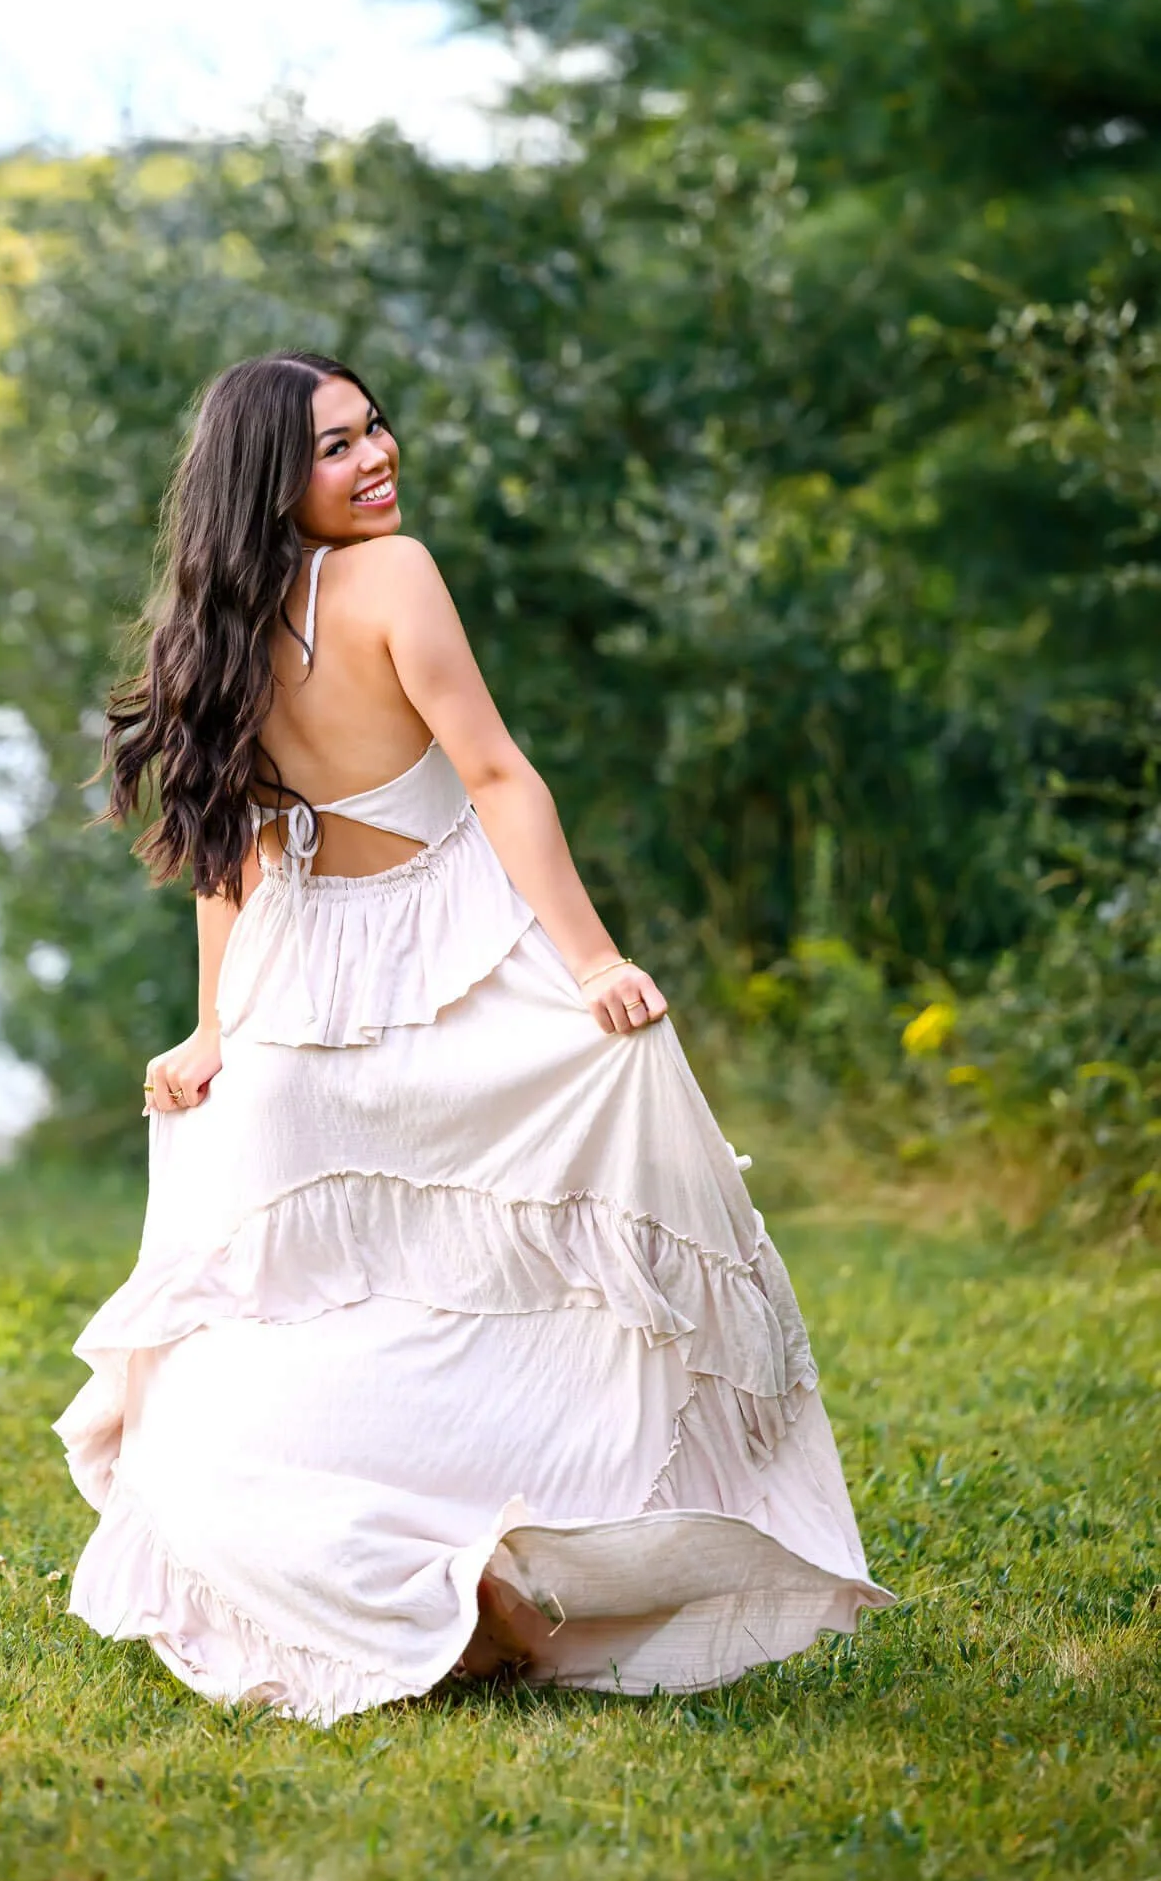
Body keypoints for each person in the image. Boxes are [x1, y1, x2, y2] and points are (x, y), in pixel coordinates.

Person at [55, 350, 891, 1724]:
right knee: (393, 1284)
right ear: (272, 475)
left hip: (309, 966)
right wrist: (588, 958)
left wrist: (219, 1024)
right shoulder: (393, 578)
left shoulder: (211, 622)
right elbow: (486, 775)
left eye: (373, 428)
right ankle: (420, 1565)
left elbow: (231, 857)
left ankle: (425, 1566)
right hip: (417, 949)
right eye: (336, 445)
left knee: (325, 1290)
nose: (377, 456)